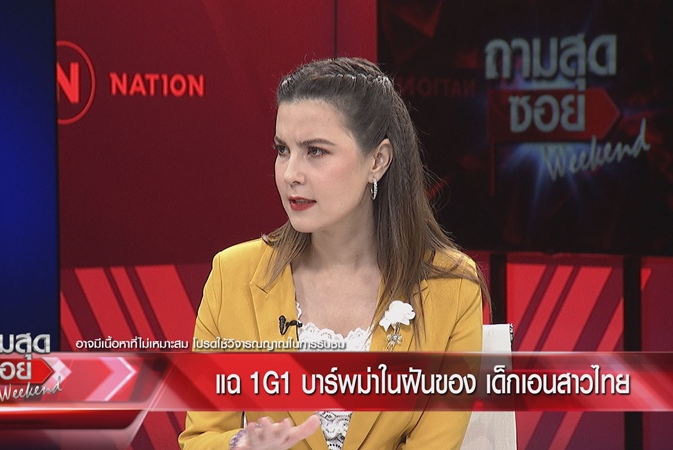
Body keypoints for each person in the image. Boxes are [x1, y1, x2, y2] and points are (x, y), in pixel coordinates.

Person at [178, 57, 485, 450]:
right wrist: (242, 445)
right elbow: (199, 439)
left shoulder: (453, 287)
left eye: (316, 151)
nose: (290, 174)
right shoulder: (233, 275)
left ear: (378, 160)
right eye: (283, 150)